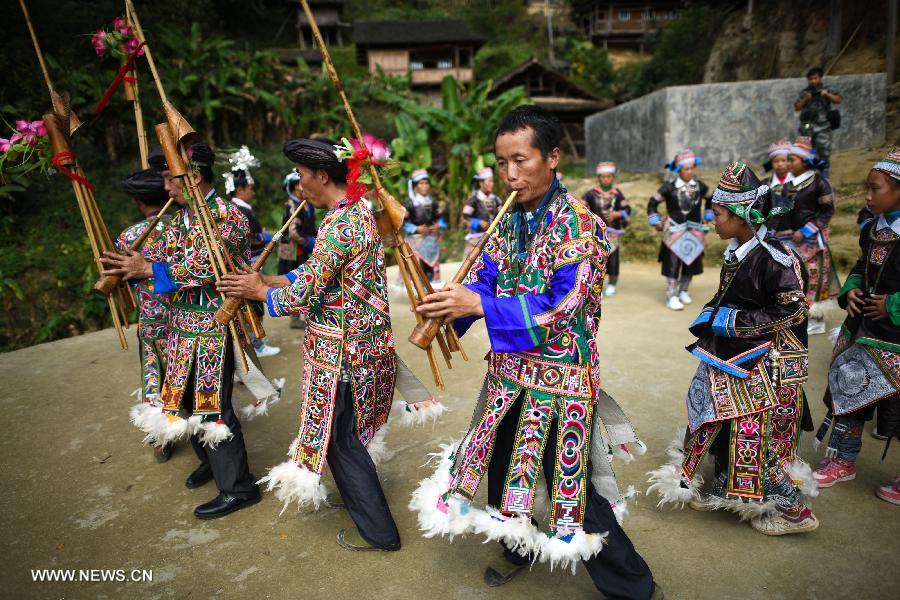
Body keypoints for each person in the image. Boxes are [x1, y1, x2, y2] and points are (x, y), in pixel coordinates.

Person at [412, 106, 658, 598]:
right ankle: (516, 545)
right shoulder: (508, 220)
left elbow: (562, 308)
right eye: (502, 163)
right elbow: (483, 278)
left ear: (552, 158)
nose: (510, 174)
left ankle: (632, 585)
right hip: (508, 372)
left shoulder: (582, 226)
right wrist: (449, 305)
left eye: (520, 161)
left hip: (562, 378)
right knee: (501, 464)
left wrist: (480, 304)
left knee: (571, 481)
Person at [217, 138, 402, 551]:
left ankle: (378, 532)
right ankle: (363, 506)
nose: (300, 187)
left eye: (302, 177)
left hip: (344, 353)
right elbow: (323, 275)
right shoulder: (355, 213)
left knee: (339, 440)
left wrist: (259, 291)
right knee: (346, 433)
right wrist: (272, 280)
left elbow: (305, 296)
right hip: (363, 348)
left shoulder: (339, 224)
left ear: (322, 176)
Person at [647, 161, 819, 536]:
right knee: (712, 410)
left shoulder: (777, 259)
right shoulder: (739, 250)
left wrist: (732, 322)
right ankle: (727, 483)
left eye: (719, 214)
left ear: (744, 217)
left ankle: (791, 510)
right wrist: (712, 316)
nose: (712, 219)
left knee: (749, 428)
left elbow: (793, 308)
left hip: (764, 360)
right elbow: (731, 295)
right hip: (733, 352)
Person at [100, 143, 261, 520]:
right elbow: (167, 259)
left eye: (168, 177)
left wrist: (147, 270)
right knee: (185, 401)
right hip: (181, 327)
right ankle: (211, 462)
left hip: (214, 326)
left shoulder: (228, 216)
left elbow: (203, 266)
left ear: (194, 176)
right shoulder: (180, 218)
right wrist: (133, 266)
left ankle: (238, 488)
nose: (164, 187)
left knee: (214, 407)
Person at [813, 148, 900, 505]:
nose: (867, 195)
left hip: (895, 337)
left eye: (875, 188)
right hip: (862, 327)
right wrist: (851, 291)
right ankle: (843, 460)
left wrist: (894, 304)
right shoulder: (871, 226)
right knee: (850, 391)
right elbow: (863, 267)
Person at [116, 167, 174, 463]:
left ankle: (159, 438)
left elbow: (120, 277)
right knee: (182, 370)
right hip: (181, 317)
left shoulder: (128, 237)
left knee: (153, 372)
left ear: (139, 202)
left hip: (151, 320)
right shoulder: (181, 229)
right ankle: (187, 417)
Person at [773, 136, 840, 335]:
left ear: (804, 161)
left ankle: (817, 318)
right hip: (791, 240)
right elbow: (783, 211)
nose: (788, 163)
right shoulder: (788, 185)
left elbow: (827, 211)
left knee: (815, 278)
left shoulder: (819, 183)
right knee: (795, 278)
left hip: (812, 241)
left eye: (792, 159)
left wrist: (806, 230)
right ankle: (799, 315)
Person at [223, 146, 280, 358]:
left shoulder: (237, 209)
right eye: (250, 187)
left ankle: (254, 343)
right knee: (253, 305)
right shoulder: (240, 211)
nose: (253, 191)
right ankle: (256, 344)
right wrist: (264, 237)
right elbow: (247, 238)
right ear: (240, 190)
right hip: (249, 266)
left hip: (249, 264)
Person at [647, 150, 713, 311]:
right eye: (686, 169)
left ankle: (683, 290)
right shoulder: (668, 188)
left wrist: (708, 215)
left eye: (692, 168)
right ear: (678, 170)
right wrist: (655, 221)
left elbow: (712, 197)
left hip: (695, 230)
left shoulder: (699, 187)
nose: (689, 172)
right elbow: (652, 202)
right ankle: (671, 296)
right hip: (674, 231)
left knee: (691, 263)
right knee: (672, 264)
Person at [583, 161, 630, 296]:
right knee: (596, 259)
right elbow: (582, 209)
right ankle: (597, 286)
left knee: (614, 260)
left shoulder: (617, 194)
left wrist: (618, 213)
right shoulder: (591, 194)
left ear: (613, 178)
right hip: (596, 233)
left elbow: (627, 208)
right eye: (602, 177)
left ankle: (612, 284)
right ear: (598, 178)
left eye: (608, 176)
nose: (605, 179)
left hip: (613, 233)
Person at [277, 171, 317, 330]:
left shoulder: (308, 204)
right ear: (295, 186)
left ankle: (308, 314)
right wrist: (308, 242)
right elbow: (293, 233)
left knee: (307, 280)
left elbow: (310, 227)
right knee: (294, 282)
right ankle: (294, 317)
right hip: (293, 253)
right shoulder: (293, 205)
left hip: (305, 250)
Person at [794, 67, 842, 176]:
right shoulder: (805, 92)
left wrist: (827, 95)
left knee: (824, 150)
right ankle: (808, 172)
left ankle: (824, 172)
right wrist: (806, 99)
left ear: (820, 78)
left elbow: (838, 100)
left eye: (815, 78)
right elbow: (797, 107)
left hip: (823, 126)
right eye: (811, 79)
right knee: (806, 150)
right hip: (807, 126)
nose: (813, 81)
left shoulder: (827, 89)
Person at [403, 169, 446, 283]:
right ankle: (418, 287)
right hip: (415, 241)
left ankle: (432, 285)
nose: (425, 186)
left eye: (426, 183)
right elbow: (403, 223)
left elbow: (440, 219)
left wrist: (438, 225)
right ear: (415, 186)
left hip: (430, 239)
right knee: (418, 265)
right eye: (421, 183)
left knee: (431, 268)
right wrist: (416, 228)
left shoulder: (433, 202)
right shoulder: (410, 204)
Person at [461, 166, 501, 256]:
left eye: (492, 181)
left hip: (493, 238)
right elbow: (465, 217)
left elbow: (502, 215)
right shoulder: (474, 200)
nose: (492, 184)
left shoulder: (496, 200)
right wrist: (478, 222)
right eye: (489, 181)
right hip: (477, 240)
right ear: (481, 183)